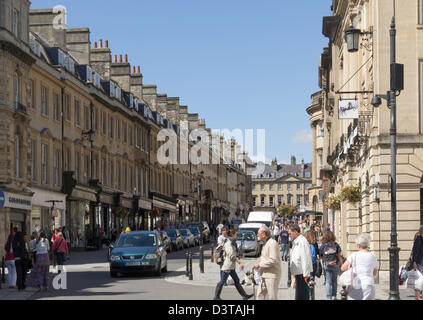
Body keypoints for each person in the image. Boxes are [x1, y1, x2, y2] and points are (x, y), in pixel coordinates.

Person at [213, 229, 253, 300]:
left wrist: (239, 255)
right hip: (227, 266)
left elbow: (233, 253)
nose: (236, 235)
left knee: (236, 280)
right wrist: (239, 262)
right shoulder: (229, 242)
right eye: (236, 234)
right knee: (222, 281)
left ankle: (244, 296)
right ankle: (216, 297)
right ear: (233, 235)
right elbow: (231, 255)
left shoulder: (232, 242)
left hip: (231, 266)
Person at [341, 233, 378, 300]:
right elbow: (374, 273)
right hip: (369, 285)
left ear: (358, 245)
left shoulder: (354, 255)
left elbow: (343, 268)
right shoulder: (373, 256)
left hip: (356, 284)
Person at [253, 226, 282, 300]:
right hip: (264, 274)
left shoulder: (272, 243)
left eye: (258, 233)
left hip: (272, 275)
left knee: (272, 297)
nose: (257, 235)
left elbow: (273, 260)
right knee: (260, 295)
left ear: (263, 234)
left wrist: (259, 265)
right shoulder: (265, 243)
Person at [288, 224, 313, 300]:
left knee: (302, 296)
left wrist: (306, 275)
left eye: (290, 233)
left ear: (295, 232)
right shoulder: (297, 241)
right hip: (298, 273)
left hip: (302, 274)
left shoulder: (302, 241)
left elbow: (305, 258)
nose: (289, 236)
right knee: (299, 295)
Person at [319, 231, 343, 300]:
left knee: (328, 281)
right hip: (335, 264)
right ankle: (334, 296)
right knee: (335, 281)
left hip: (326, 264)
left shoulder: (323, 245)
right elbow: (339, 256)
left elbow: (320, 256)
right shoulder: (336, 245)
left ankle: (328, 297)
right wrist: (341, 265)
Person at [411, 226, 423, 300]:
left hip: (421, 261)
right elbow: (415, 251)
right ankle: (417, 297)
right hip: (419, 261)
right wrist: (414, 262)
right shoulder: (418, 239)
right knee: (419, 279)